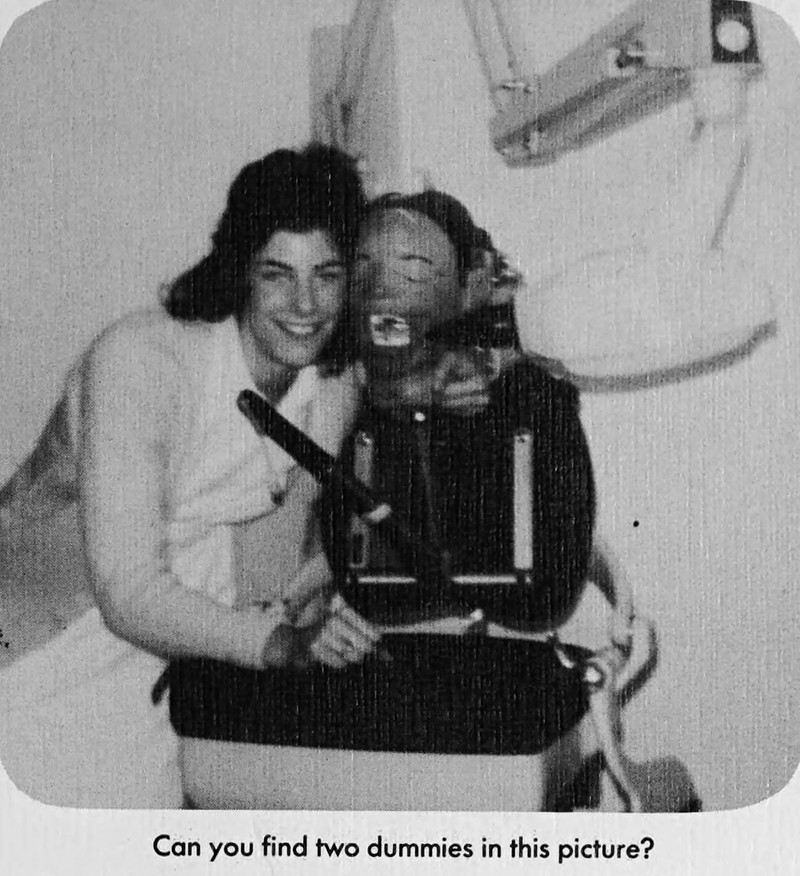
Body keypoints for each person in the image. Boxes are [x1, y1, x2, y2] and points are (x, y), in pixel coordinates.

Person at [174, 190, 598, 810]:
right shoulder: (335, 389)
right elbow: (363, 397)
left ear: (473, 284)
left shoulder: (525, 393)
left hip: (498, 658)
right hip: (361, 646)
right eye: (364, 268)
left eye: (415, 270)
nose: (382, 290)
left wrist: (488, 361)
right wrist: (296, 607)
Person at [0, 144, 382, 808]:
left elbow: (281, 557)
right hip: (36, 663)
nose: (305, 304)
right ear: (239, 270)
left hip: (154, 678)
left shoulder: (329, 387)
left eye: (327, 275)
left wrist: (321, 610)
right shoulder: (141, 361)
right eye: (277, 274)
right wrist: (283, 644)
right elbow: (128, 593)